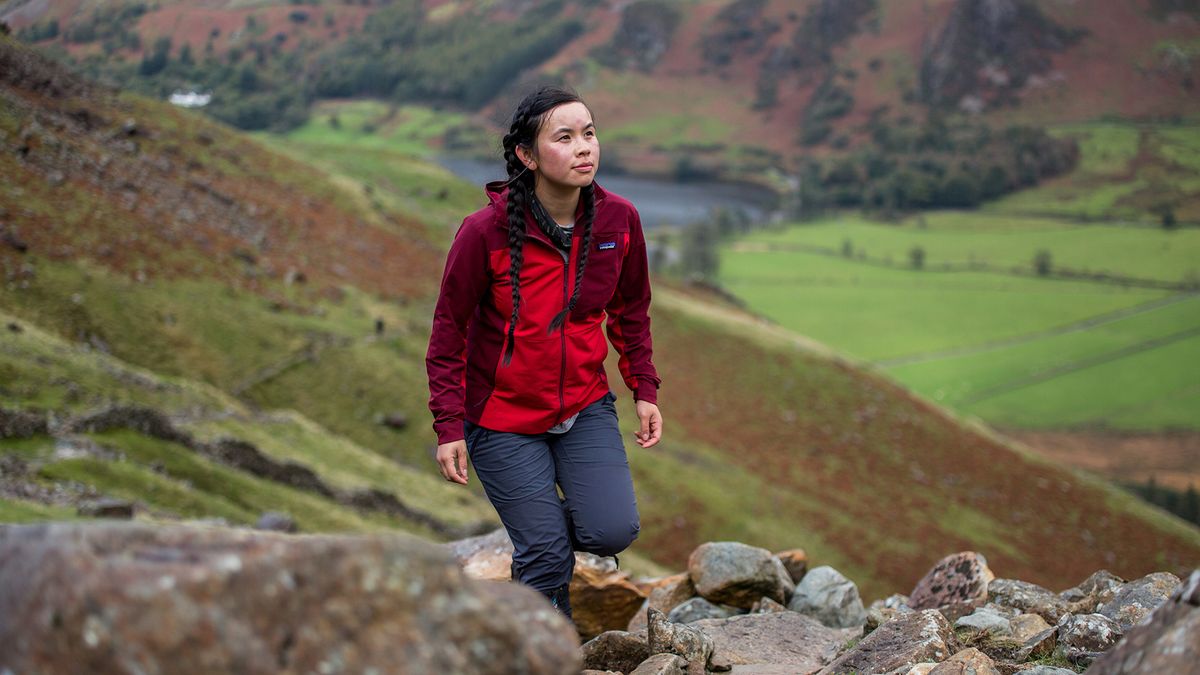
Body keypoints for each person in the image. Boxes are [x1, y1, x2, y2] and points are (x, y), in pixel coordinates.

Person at [425, 86, 663, 621]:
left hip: (583, 405)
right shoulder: (482, 232)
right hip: (500, 417)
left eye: (590, 133)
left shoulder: (619, 222)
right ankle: (544, 648)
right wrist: (448, 425)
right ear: (528, 157)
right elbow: (448, 334)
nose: (584, 147)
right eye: (565, 137)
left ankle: (539, 541)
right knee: (547, 555)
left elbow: (631, 311)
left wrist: (643, 390)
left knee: (612, 530)